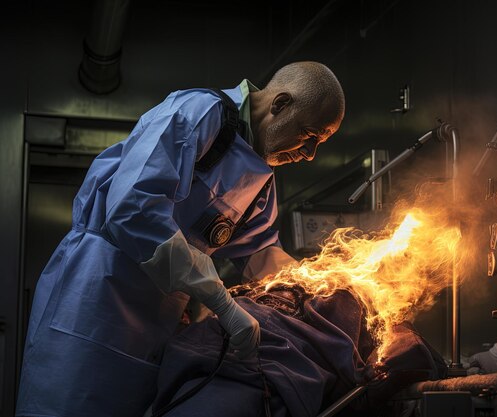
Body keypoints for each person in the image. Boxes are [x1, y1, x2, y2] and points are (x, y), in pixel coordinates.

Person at [16, 61, 345, 417]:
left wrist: (318, 284)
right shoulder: (200, 113)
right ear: (280, 105)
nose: (310, 154)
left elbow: (260, 250)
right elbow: (132, 210)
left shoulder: (261, 176)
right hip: (98, 295)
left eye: (320, 144)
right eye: (310, 135)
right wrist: (219, 300)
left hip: (158, 321)